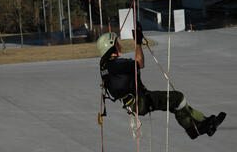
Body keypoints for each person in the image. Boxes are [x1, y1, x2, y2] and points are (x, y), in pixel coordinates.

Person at [97, 24, 226, 140]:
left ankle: (201, 123)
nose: (120, 46)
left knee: (173, 103)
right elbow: (140, 63)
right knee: (178, 98)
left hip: (134, 102)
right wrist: (138, 43)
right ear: (111, 48)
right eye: (117, 44)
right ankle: (194, 128)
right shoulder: (117, 65)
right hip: (141, 102)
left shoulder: (105, 66)